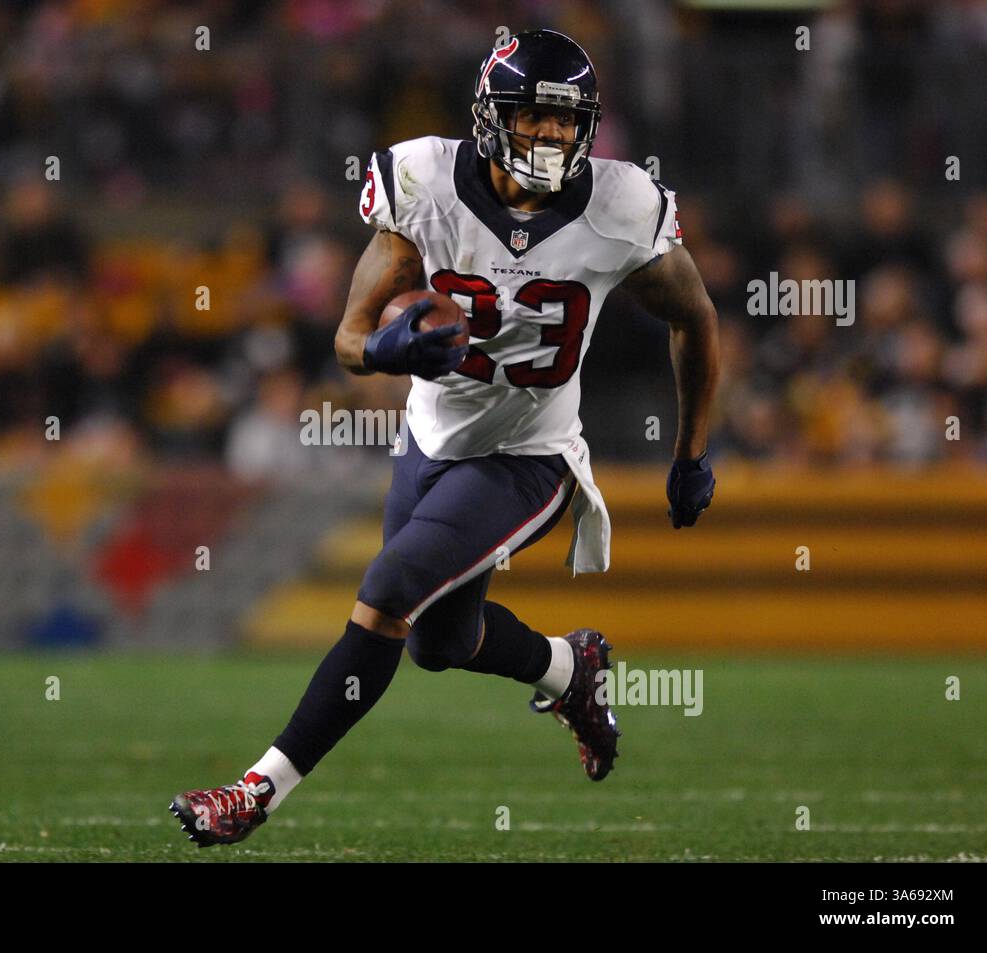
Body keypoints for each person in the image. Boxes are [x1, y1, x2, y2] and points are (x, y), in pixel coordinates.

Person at [171, 29, 719, 847]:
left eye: (568, 123)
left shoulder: (621, 206)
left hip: (529, 453)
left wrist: (691, 450)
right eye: (534, 117)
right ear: (493, 117)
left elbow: (697, 319)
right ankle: (572, 669)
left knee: (388, 587)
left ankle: (256, 790)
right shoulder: (426, 179)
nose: (553, 137)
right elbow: (349, 340)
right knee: (438, 640)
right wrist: (385, 350)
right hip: (430, 438)